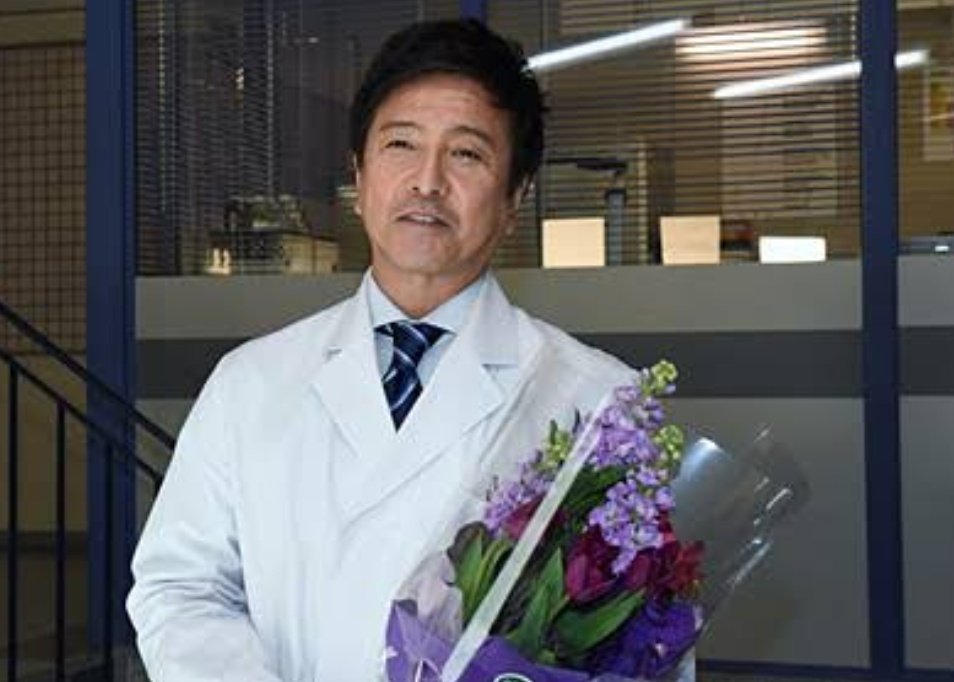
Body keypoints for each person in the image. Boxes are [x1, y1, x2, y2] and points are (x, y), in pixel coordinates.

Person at [127, 18, 637, 681]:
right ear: (359, 175)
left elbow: (635, 640)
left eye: (467, 154)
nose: (427, 181)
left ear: (516, 196)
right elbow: (180, 588)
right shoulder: (250, 382)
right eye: (401, 144)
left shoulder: (596, 402)